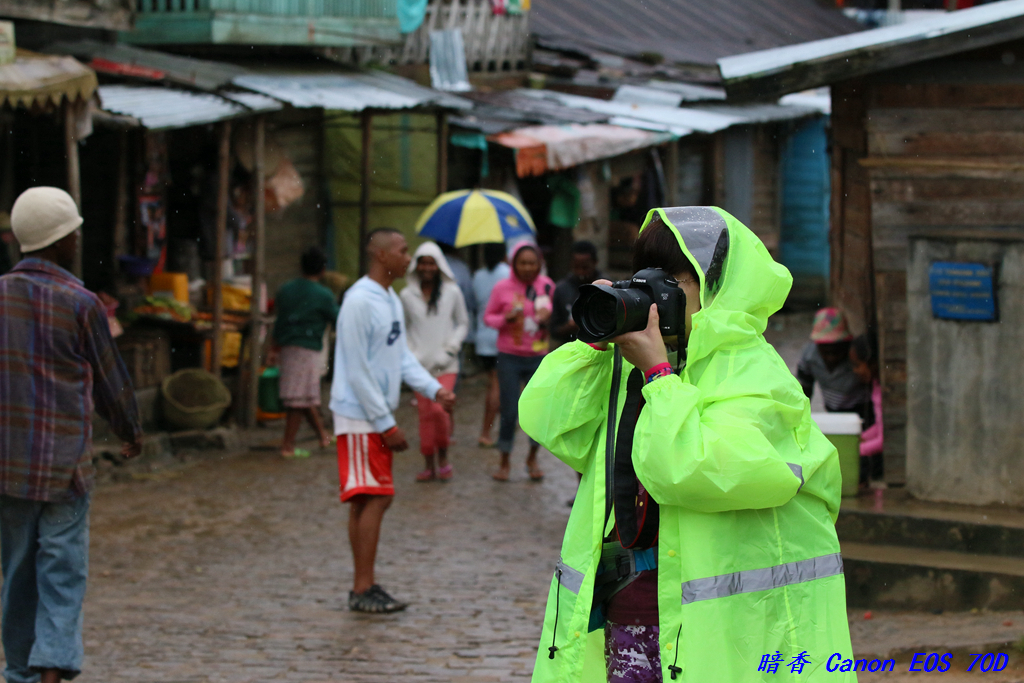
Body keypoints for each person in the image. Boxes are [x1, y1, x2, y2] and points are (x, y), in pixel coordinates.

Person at [520, 206, 855, 682]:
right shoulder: (630, 363)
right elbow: (549, 422)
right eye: (646, 278)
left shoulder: (754, 371)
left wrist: (659, 377)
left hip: (721, 629)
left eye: (673, 282)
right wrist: (594, 344)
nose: (654, 297)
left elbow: (692, 472)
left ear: (718, 288)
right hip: (632, 608)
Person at [0, 187, 144, 683]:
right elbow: (111, 381)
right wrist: (131, 431)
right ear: (61, 241)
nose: (79, 239)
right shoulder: (82, 303)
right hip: (64, 466)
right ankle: (53, 668)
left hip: (9, 464)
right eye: (74, 233)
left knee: (17, 572)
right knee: (62, 570)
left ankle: (19, 669)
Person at [330, 228, 456, 613]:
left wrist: (434, 389)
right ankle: (362, 587)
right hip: (358, 416)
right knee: (377, 497)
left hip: (372, 416)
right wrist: (386, 423)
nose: (409, 259)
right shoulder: (358, 301)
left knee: (367, 499)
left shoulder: (387, 298)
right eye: (403, 252)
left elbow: (400, 358)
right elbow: (356, 370)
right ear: (382, 255)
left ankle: (363, 586)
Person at [483, 242, 555, 482]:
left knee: (537, 412)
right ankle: (504, 460)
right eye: (522, 263)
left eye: (532, 263)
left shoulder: (547, 286)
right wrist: (506, 318)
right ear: (514, 265)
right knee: (510, 411)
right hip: (509, 357)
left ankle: (532, 458)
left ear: (539, 264)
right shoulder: (502, 288)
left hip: (538, 357)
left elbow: (554, 317)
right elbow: (488, 318)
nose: (527, 267)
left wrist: (547, 318)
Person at [400, 241, 469, 482]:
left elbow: (462, 323)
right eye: (423, 263)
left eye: (431, 263)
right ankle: (428, 463)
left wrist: (450, 349)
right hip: (420, 367)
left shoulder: (452, 292)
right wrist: (411, 354)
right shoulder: (407, 296)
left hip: (446, 365)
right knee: (425, 415)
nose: (427, 267)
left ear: (439, 266)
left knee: (440, 411)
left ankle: (444, 457)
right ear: (416, 266)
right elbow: (403, 329)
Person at [272, 246, 338, 458]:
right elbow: (338, 319)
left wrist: (274, 346)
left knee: (304, 395)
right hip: (308, 348)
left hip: (287, 347)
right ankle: (288, 446)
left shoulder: (285, 289)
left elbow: (279, 320)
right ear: (322, 270)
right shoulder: (324, 295)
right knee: (299, 399)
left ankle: (322, 436)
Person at [471, 242, 510, 448]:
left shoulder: (478, 275)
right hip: (500, 336)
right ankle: (486, 432)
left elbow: (474, 302)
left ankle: (503, 424)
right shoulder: (508, 274)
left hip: (482, 336)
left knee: (494, 382)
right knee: (496, 385)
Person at [796, 307, 870, 414]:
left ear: (846, 344)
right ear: (817, 346)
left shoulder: (856, 358)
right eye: (826, 352)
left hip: (860, 413)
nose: (832, 357)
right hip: (832, 411)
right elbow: (805, 389)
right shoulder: (809, 356)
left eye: (837, 351)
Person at [549, 240, 601, 348]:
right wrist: (570, 327)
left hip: (600, 351)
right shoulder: (561, 289)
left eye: (585, 268)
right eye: (576, 267)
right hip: (570, 351)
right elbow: (553, 330)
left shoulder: (606, 286)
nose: (581, 273)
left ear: (595, 263)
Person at [851, 333, 884, 487]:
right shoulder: (876, 385)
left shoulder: (882, 391)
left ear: (872, 363)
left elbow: (884, 439)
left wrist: (855, 449)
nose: (855, 371)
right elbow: (880, 426)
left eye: (858, 365)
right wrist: (860, 438)